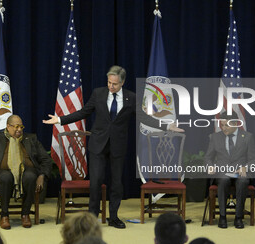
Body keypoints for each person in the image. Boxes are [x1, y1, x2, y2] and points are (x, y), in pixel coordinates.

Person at [44, 65, 175, 229]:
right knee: (96, 181)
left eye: (114, 84)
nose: (111, 86)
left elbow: (144, 117)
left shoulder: (131, 97)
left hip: (117, 146)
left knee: (116, 183)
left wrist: (167, 127)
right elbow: (83, 112)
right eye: (109, 82)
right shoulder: (98, 93)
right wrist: (60, 120)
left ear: (122, 82)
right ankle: (92, 219)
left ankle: (113, 217)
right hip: (98, 144)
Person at [0, 115, 51, 229]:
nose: (19, 130)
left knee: (30, 176)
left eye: (21, 127)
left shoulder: (31, 139)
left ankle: (25, 214)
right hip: (1, 172)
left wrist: (42, 175)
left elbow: (46, 159)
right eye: (16, 127)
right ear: (8, 126)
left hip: (27, 171)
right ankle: (4, 215)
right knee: (6, 177)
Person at [204, 111, 255, 229]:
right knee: (223, 180)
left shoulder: (247, 137)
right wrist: (210, 166)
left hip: (240, 173)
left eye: (226, 125)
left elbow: (253, 160)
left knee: (243, 181)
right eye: (222, 125)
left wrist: (245, 167)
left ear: (235, 124)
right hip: (222, 172)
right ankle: (222, 217)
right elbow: (208, 157)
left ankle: (238, 217)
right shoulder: (215, 137)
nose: (223, 128)